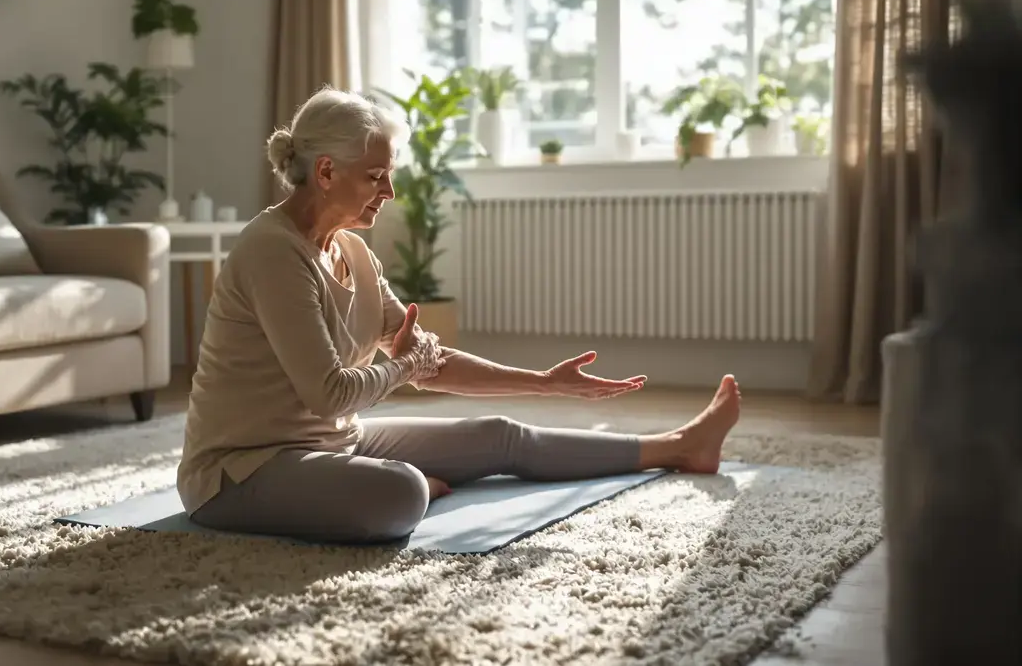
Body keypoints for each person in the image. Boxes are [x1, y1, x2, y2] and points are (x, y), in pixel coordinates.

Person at [177, 86, 742, 544]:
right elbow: (329, 392)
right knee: (402, 494)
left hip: (332, 444)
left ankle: (680, 446)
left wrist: (543, 384)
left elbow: (430, 361)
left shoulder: (351, 250)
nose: (390, 191)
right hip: (242, 471)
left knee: (500, 437)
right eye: (376, 176)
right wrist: (400, 369)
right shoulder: (273, 251)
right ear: (325, 172)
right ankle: (386, 485)